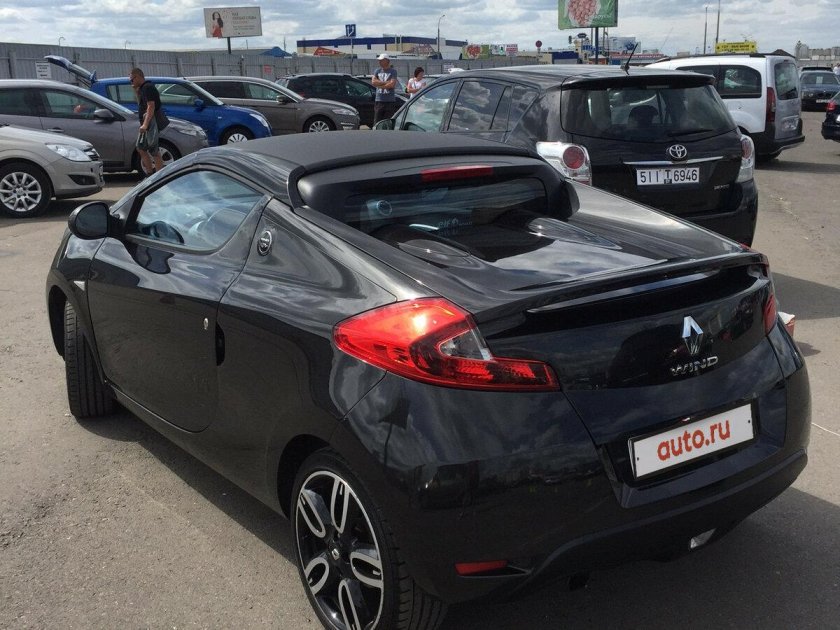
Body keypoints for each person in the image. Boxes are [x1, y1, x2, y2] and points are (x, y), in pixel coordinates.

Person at [129, 67, 169, 175]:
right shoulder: (142, 88)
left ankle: (159, 176)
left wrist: (145, 125)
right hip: (146, 123)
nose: (131, 82)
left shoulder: (148, 87)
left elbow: (151, 106)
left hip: (151, 123)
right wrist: (136, 90)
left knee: (153, 149)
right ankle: (150, 174)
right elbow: (142, 104)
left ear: (137, 77)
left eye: (132, 80)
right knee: (141, 148)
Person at [371, 53, 399, 124]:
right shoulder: (377, 71)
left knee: (387, 122)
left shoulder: (393, 71)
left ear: (387, 61)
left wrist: (379, 85)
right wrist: (386, 82)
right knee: (377, 122)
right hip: (379, 101)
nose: (379, 62)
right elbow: (373, 82)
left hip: (390, 101)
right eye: (379, 60)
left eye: (381, 60)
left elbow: (392, 85)